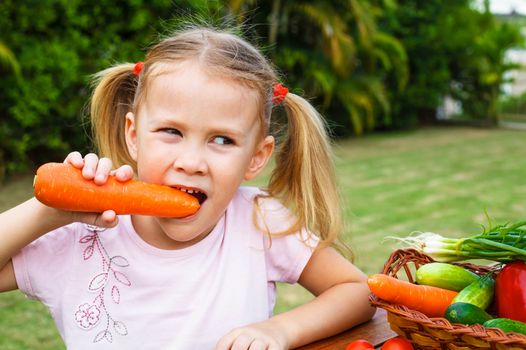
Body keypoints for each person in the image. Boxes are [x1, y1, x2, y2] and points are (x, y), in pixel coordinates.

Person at [0, 26, 375, 349]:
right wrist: (47, 211)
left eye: (223, 140)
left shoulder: (258, 222)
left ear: (256, 157)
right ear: (133, 135)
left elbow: (358, 292)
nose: (191, 162)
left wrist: (280, 329)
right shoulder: (79, 233)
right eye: (171, 132)